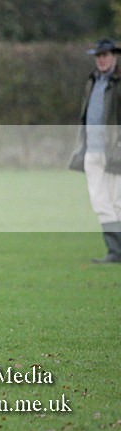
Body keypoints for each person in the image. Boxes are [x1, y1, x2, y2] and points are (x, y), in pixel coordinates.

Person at [70, 38, 121, 263]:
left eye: (105, 55)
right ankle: (114, 251)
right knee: (100, 202)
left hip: (114, 151)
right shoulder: (93, 82)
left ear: (114, 56)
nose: (101, 60)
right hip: (92, 150)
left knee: (118, 201)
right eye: (98, 56)